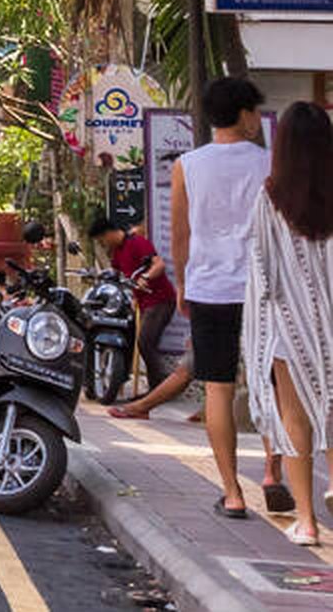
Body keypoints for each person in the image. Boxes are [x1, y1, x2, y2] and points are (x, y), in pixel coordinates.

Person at [112, 76, 289, 518]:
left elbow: (181, 233)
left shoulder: (188, 165)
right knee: (273, 386)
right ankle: (272, 471)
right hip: (262, 290)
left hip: (210, 289)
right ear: (247, 115)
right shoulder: (269, 165)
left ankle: (231, 492)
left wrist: (186, 285)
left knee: (217, 388)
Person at [249, 101, 333, 546]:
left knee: (294, 418)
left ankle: (307, 522)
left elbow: (262, 267)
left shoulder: (271, 196)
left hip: (289, 327)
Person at [90, 214, 177, 401]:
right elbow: (119, 276)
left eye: (102, 239)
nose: (103, 244)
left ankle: (159, 389)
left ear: (109, 233)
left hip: (160, 301)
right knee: (135, 340)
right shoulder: (118, 253)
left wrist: (145, 277)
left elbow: (159, 264)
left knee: (145, 342)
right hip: (143, 304)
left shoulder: (136, 242)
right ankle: (127, 380)